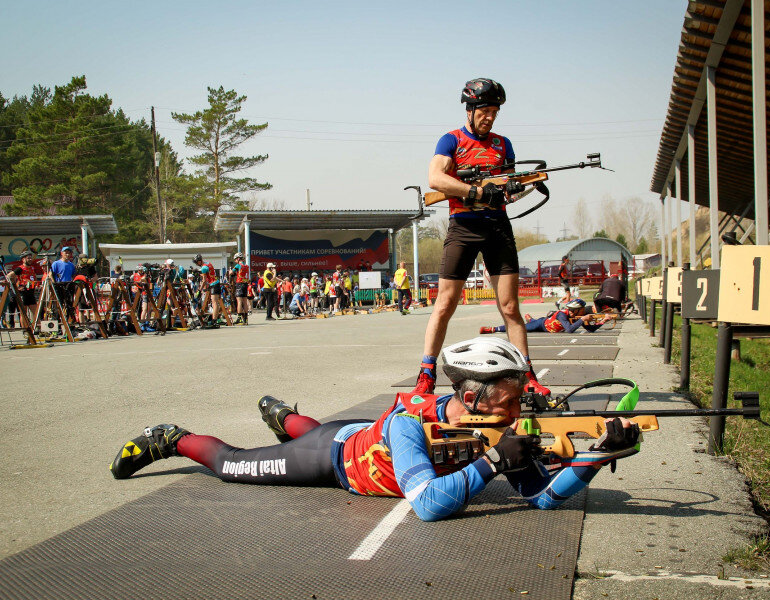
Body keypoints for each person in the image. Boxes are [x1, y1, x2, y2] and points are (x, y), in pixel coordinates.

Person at [109, 337, 642, 521]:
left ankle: (283, 415)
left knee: (309, 428)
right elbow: (428, 506)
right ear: (472, 395)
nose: (519, 402)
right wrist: (494, 462)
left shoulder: (497, 426)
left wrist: (599, 454)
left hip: (359, 434)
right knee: (233, 466)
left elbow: (544, 498)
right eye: (509, 392)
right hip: (333, 458)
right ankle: (171, 437)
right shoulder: (412, 425)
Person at [413, 78, 548, 398]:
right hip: (463, 226)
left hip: (497, 226)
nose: (490, 117)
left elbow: (507, 191)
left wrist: (518, 188)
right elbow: (435, 178)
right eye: (484, 111)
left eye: (494, 112)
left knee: (510, 307)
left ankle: (527, 375)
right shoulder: (451, 140)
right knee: (445, 303)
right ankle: (426, 373)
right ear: (470, 110)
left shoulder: (503, 145)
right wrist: (474, 191)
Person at [481, 299, 613, 334]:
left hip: (546, 325)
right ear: (577, 310)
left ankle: (531, 319)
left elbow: (591, 329)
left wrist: (603, 321)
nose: (583, 313)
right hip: (542, 324)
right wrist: (583, 319)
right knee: (521, 328)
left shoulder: (577, 318)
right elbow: (569, 330)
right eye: (582, 310)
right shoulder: (562, 315)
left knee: (530, 323)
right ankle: (494, 329)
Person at [5, 249, 40, 329]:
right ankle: (25, 329)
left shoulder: (32, 268)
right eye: (28, 258)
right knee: (23, 313)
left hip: (31, 293)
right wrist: (16, 287)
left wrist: (36, 284)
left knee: (35, 312)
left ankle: (37, 328)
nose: (30, 259)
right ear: (23, 259)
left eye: (31, 258)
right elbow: (9, 276)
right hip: (23, 293)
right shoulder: (20, 268)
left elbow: (33, 278)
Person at [193, 254, 222, 325]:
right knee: (216, 303)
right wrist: (200, 273)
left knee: (214, 303)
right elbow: (209, 273)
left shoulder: (203, 268)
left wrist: (199, 290)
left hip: (213, 284)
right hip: (216, 283)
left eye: (196, 263)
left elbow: (204, 281)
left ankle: (214, 320)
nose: (196, 264)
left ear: (199, 261)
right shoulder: (208, 263)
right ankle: (215, 319)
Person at [229, 253, 250, 325]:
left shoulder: (238, 265)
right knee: (245, 301)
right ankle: (246, 319)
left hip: (239, 283)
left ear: (238, 259)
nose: (235, 261)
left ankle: (239, 318)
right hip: (245, 283)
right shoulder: (246, 266)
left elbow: (231, 273)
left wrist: (231, 270)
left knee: (239, 301)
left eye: (235, 259)